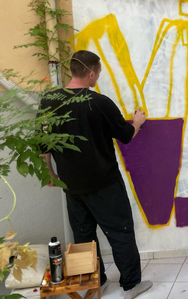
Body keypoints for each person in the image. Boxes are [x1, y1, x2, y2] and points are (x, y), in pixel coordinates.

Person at [40, 50, 152, 299]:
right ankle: (131, 286)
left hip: (71, 184)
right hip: (104, 183)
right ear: (91, 73)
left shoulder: (49, 101)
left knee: (83, 237)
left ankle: (95, 283)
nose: (98, 77)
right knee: (120, 231)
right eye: (98, 73)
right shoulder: (99, 103)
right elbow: (125, 135)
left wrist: (49, 174)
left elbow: (43, 145)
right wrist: (137, 122)